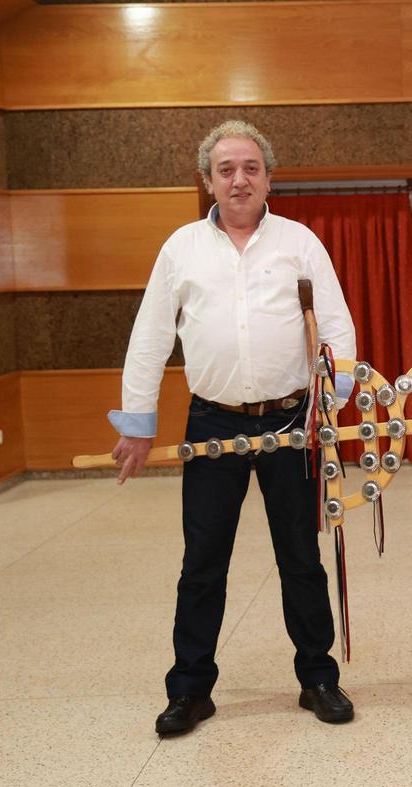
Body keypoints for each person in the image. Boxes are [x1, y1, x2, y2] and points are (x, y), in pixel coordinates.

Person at [110, 120, 358, 736]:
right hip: (212, 422)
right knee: (203, 562)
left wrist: (334, 404)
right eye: (227, 169)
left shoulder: (299, 242)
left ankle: (318, 678)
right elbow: (148, 340)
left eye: (251, 167)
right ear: (208, 180)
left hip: (293, 420)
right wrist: (139, 423)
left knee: (301, 557)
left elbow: (337, 329)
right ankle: (191, 689)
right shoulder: (181, 248)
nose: (239, 179)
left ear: (268, 176)